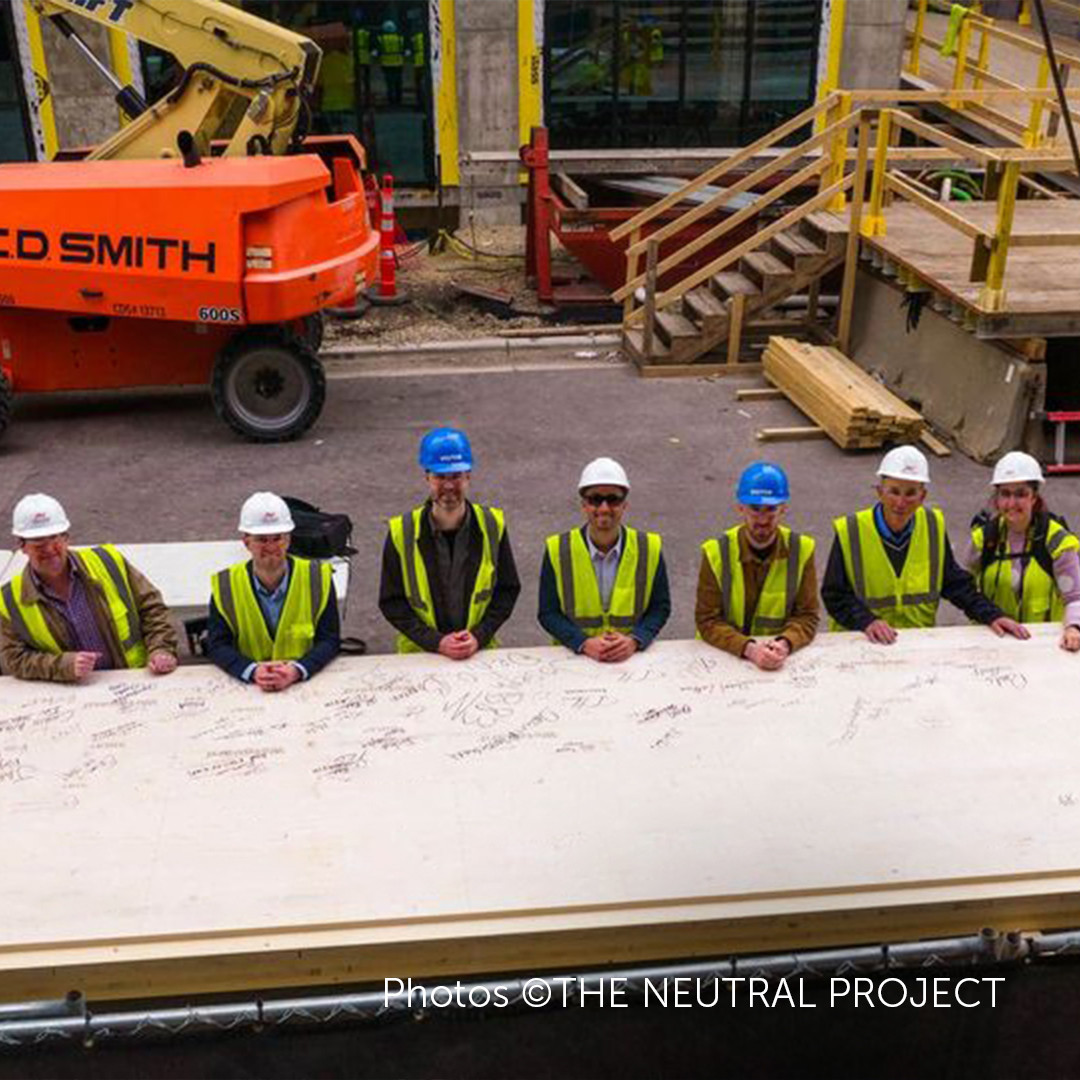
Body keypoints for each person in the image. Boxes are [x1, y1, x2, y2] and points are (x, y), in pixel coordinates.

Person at [822, 446, 1029, 643]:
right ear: (879, 492)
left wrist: (991, 615)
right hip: (860, 643)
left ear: (923, 496)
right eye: (894, 491)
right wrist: (866, 621)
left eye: (910, 493)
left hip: (915, 641)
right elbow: (834, 595)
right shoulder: (851, 531)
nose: (901, 503)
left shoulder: (932, 526)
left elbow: (954, 583)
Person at [0, 493, 178, 682]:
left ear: (67, 538)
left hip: (135, 678)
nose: (50, 549)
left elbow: (152, 607)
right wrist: (62, 666)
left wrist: (161, 648)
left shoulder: (108, 562)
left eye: (55, 538)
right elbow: (14, 658)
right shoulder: (9, 600)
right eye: (39, 543)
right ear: (22, 546)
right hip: (69, 696)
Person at [379, 428, 521, 657]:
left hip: (478, 653)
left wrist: (479, 636)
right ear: (426, 477)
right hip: (421, 656)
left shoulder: (492, 526)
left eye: (455, 476)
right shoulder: (401, 533)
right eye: (440, 476)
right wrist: (436, 642)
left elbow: (506, 591)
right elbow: (392, 603)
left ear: (468, 476)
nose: (448, 486)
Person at [539, 457, 670, 661]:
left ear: (625, 505)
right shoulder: (558, 550)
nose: (604, 508)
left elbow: (660, 607)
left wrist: (635, 640)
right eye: (595, 499)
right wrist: (583, 643)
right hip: (575, 659)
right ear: (584, 505)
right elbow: (548, 613)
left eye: (613, 499)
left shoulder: (649, 548)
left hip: (631, 659)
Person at [207, 492, 340, 690]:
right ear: (246, 542)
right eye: (261, 539)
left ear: (288, 540)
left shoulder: (318, 579)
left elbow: (329, 639)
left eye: (277, 538)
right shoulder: (226, 585)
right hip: (250, 690)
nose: (271, 547)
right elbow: (217, 644)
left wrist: (298, 669)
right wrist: (251, 670)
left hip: (306, 685)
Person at [696, 463, 819, 671]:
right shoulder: (716, 553)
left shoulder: (802, 550)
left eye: (771, 509)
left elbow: (807, 615)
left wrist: (785, 643)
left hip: (779, 658)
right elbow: (707, 620)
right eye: (755, 509)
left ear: (783, 508)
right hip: (725, 660)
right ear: (740, 508)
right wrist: (749, 649)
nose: (762, 519)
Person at [966, 451, 1080, 652]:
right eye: (1005, 494)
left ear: (1034, 497)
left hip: (1042, 648)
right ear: (997, 498)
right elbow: (965, 589)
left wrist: (1073, 627)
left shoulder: (1057, 542)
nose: (1011, 504)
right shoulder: (983, 540)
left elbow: (1075, 598)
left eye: (1020, 494)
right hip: (993, 645)